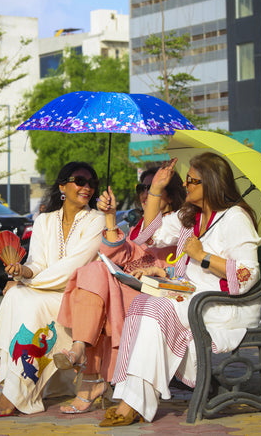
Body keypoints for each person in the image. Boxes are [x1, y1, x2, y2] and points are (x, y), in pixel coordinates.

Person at [99, 152, 261, 427]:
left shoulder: (236, 218)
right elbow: (148, 235)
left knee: (157, 308)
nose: (185, 185)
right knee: (143, 303)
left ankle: (132, 403)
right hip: (192, 296)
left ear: (210, 183)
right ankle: (133, 399)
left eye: (192, 181)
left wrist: (203, 256)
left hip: (222, 306)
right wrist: (155, 189)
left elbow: (248, 274)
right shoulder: (191, 216)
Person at [55, 166, 186, 414]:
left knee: (98, 279)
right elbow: (117, 255)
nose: (147, 193)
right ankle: (81, 350)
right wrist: (110, 217)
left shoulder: (179, 222)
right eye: (142, 188)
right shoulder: (139, 228)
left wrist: (160, 271)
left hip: (156, 294)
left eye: (154, 187)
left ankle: (89, 374)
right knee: (96, 273)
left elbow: (181, 268)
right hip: (126, 288)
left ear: (170, 192)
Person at [0, 161, 105, 418]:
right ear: (62, 186)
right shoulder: (44, 221)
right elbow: (38, 263)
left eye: (92, 183)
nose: (87, 187)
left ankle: (13, 395)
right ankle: (15, 386)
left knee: (29, 302)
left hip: (77, 296)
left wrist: (25, 282)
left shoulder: (98, 221)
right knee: (16, 295)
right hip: (45, 287)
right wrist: (22, 271)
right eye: (80, 181)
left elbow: (74, 267)